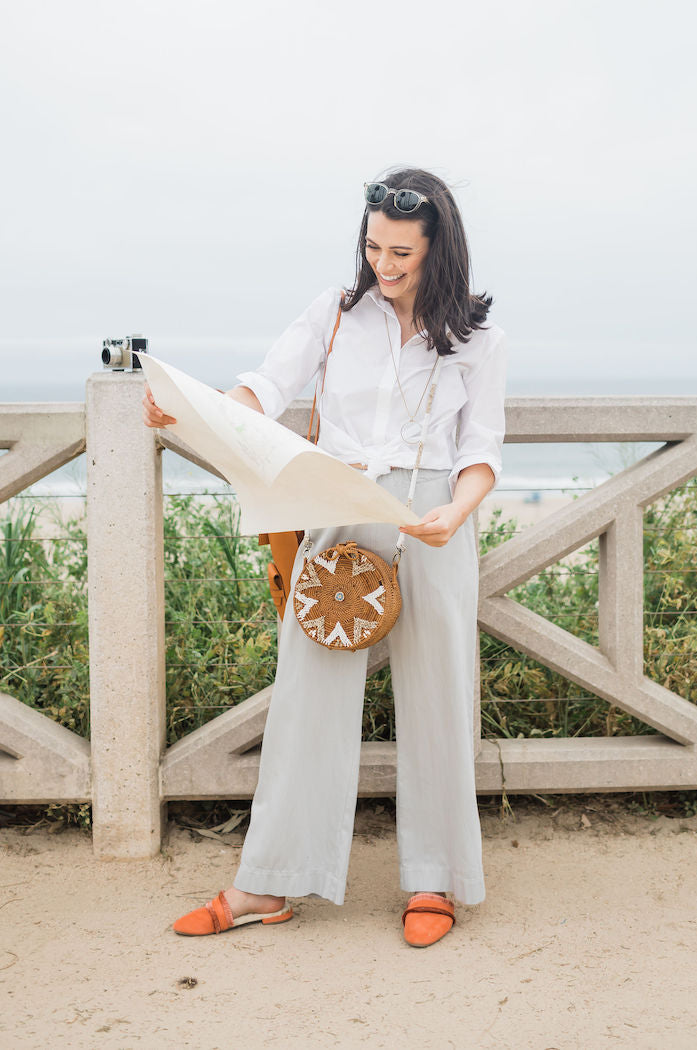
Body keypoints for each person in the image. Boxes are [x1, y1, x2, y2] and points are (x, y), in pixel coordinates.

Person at [142, 167, 507, 947]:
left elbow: (480, 453)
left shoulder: (479, 340)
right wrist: (194, 411)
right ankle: (265, 885)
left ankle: (434, 879)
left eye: (402, 251)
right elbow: (263, 391)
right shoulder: (335, 315)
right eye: (374, 246)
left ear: (439, 249)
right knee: (307, 695)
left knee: (440, 696)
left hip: (432, 515)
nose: (385, 263)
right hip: (337, 509)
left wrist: (457, 510)